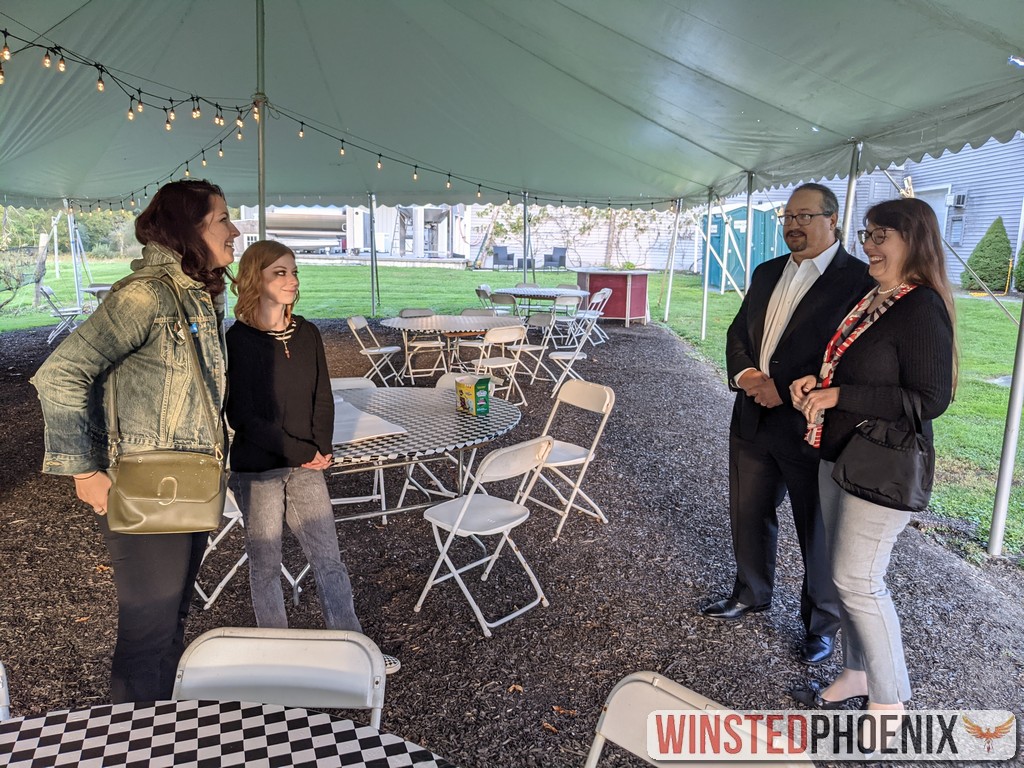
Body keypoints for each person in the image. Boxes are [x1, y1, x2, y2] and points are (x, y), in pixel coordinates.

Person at [31, 179, 238, 703]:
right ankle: (135, 738)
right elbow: (61, 374)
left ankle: (161, 728)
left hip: (186, 481)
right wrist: (84, 470)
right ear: (190, 228)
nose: (235, 230)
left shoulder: (192, 296)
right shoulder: (147, 296)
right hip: (149, 484)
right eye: (222, 219)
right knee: (149, 634)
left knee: (171, 622)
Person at [789, 198, 955, 723]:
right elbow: (858, 369)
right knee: (844, 578)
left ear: (914, 241)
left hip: (883, 462)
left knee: (858, 580)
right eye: (867, 234)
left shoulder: (921, 306)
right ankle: (856, 673)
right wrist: (820, 383)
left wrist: (841, 396)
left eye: (881, 236)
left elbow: (931, 399)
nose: (868, 246)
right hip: (840, 454)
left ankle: (889, 701)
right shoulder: (874, 297)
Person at [701, 183, 874, 666]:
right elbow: (738, 333)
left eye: (804, 216)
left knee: (816, 529)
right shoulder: (766, 271)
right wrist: (748, 376)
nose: (793, 225)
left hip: (811, 427)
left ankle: (821, 625)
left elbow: (854, 355)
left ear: (832, 220)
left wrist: (781, 386)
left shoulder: (859, 281)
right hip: (753, 415)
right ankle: (750, 592)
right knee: (749, 511)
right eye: (788, 217)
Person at [225, 240, 362, 633]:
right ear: (256, 279)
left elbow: (322, 396)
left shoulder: (308, 333)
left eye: (294, 271)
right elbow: (243, 416)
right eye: (280, 273)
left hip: (307, 466)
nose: (292, 280)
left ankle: (350, 644)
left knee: (329, 560)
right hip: (259, 471)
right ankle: (276, 649)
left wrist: (322, 447)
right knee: (266, 565)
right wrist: (301, 450)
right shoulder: (238, 341)